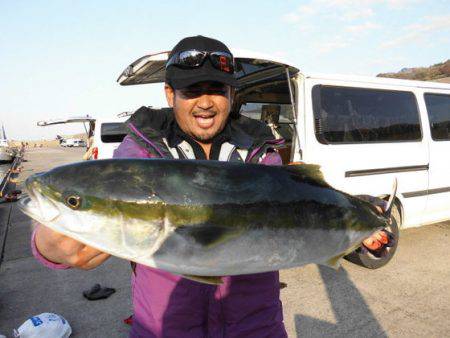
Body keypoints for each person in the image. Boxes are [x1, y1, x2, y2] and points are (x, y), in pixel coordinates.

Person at [31, 35, 388, 337]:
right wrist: (47, 243)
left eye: (216, 89)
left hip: (257, 328)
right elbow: (83, 214)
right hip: (164, 329)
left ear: (232, 95)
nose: (204, 102)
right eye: (191, 90)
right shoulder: (140, 152)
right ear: (170, 94)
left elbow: (303, 214)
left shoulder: (260, 151)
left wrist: (360, 233)